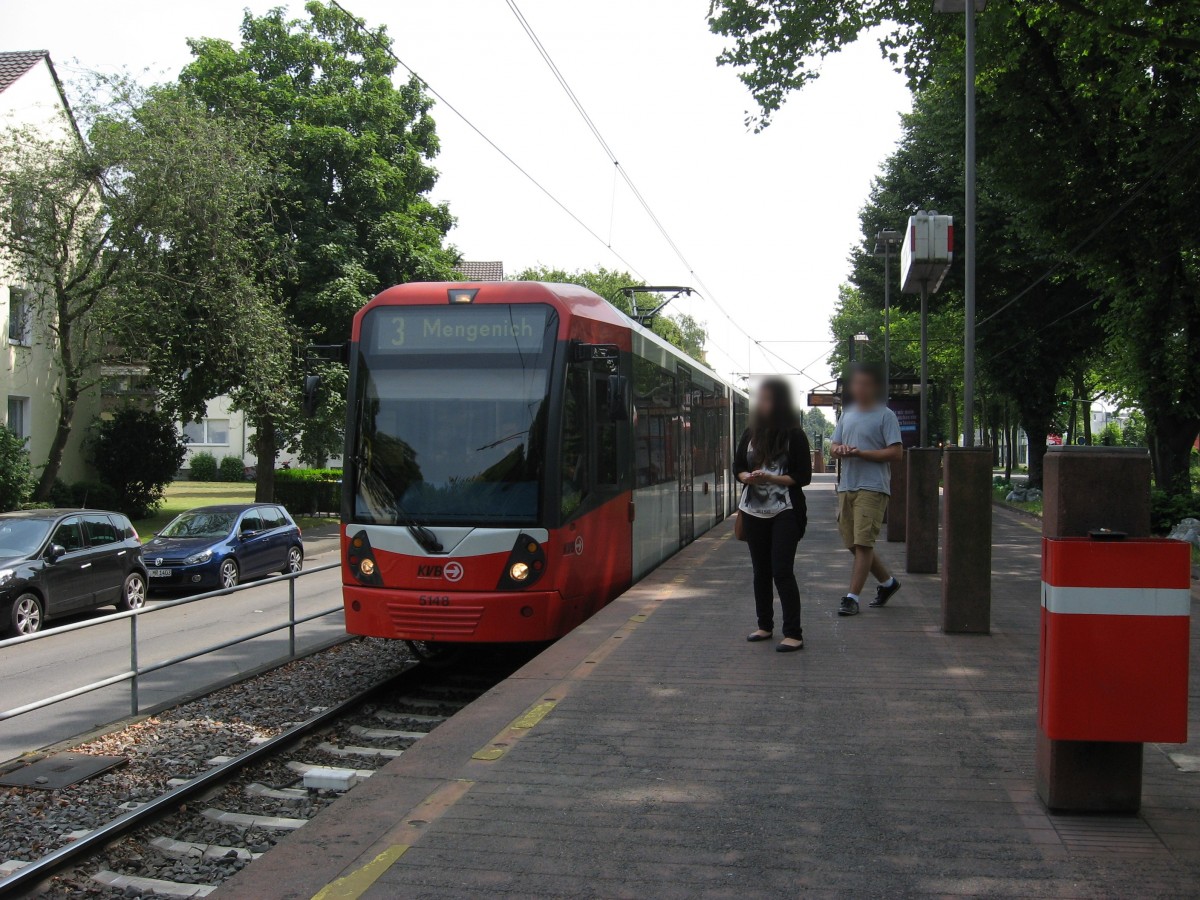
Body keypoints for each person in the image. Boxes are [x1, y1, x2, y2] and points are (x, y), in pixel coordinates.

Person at [734, 378, 812, 652]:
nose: (763, 404)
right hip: (753, 509)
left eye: (768, 399)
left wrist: (773, 478)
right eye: (761, 399)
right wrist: (748, 477)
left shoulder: (794, 435)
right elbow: (738, 468)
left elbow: (804, 476)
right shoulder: (750, 433)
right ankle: (764, 625)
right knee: (760, 572)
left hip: (785, 510)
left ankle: (793, 632)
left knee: (781, 570)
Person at [829, 363, 904, 616]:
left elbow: (896, 452)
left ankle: (852, 598)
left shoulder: (886, 415)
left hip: (872, 487)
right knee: (852, 542)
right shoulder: (847, 414)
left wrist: (862, 453)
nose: (858, 388)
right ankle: (888, 583)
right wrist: (839, 450)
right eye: (855, 384)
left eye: (864, 384)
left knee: (863, 543)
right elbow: (833, 445)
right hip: (847, 485)